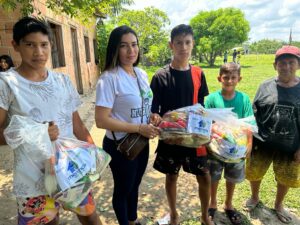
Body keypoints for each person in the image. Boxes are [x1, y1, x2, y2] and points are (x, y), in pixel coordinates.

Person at [0, 17, 102, 225]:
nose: (38, 52)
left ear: (51, 46)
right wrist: (37, 133)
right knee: (48, 222)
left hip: (70, 169)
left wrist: (94, 157)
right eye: (30, 45)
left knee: (90, 216)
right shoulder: (7, 84)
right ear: (15, 46)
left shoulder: (62, 81)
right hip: (32, 179)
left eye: (44, 45)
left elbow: (78, 125)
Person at [95, 25, 160, 225]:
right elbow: (101, 120)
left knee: (135, 185)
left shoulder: (140, 74)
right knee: (123, 189)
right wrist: (139, 127)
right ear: (115, 49)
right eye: (124, 46)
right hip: (120, 146)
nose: (131, 51)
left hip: (140, 141)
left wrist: (151, 116)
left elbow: (142, 103)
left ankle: (133, 221)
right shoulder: (108, 79)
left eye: (134, 45)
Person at [150, 24, 214, 225]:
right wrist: (156, 117)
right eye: (179, 43)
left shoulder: (198, 73)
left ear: (193, 44)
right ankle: (174, 215)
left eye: (187, 42)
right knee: (171, 176)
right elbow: (154, 109)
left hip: (195, 137)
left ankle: (204, 216)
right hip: (171, 137)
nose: (183, 47)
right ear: (171, 45)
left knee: (204, 176)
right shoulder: (160, 76)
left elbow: (202, 104)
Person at [245, 45, 300, 224]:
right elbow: (254, 114)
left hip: (290, 147)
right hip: (262, 143)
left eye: (291, 62)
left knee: (285, 177)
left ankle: (278, 205)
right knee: (254, 173)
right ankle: (254, 197)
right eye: (282, 63)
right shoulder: (264, 86)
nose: (286, 67)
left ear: (298, 65)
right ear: (274, 65)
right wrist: (249, 141)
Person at [205, 62, 253, 225]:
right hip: (216, 148)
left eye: (233, 78)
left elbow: (249, 123)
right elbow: (207, 122)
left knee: (231, 177)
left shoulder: (244, 99)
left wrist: (249, 144)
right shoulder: (212, 99)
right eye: (226, 77)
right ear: (220, 78)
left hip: (237, 149)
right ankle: (212, 203)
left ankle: (228, 204)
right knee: (214, 176)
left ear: (239, 78)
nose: (229, 81)